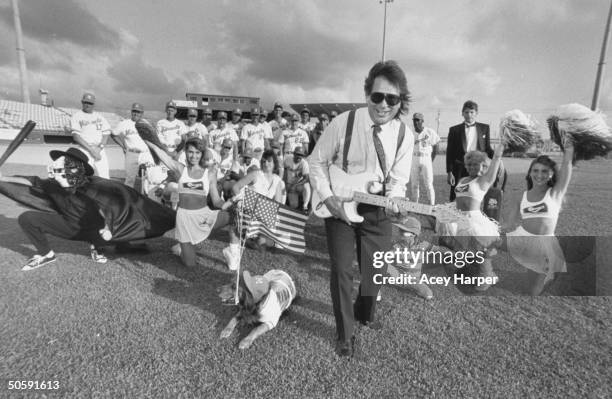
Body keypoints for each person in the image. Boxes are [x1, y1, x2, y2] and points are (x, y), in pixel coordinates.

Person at [308, 60, 413, 357]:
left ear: (400, 101)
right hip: (339, 208)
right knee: (341, 269)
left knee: (375, 273)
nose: (383, 104)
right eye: (377, 96)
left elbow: (398, 180)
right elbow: (316, 161)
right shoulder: (342, 123)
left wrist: (394, 198)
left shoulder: (405, 135)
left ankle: (364, 312)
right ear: (367, 94)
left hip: (376, 211)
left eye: (392, 99)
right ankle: (345, 333)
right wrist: (328, 198)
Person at [0, 148, 177, 270]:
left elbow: (111, 209)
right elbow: (31, 180)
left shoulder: (95, 187)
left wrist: (109, 230)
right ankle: (46, 254)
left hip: (96, 229)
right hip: (71, 227)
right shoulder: (52, 185)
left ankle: (114, 245)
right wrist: (3, 177)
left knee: (109, 233)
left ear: (77, 168)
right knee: (27, 218)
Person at [146, 137, 237, 267]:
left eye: (197, 152)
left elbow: (216, 201)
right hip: (185, 219)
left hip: (204, 215)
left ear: (201, 154)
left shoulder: (209, 173)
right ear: (186, 152)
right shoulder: (180, 169)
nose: (193, 156)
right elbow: (163, 156)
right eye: (190, 152)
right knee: (190, 264)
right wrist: (147, 139)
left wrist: (228, 204)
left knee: (236, 215)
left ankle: (232, 252)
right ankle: (181, 247)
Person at [504, 140, 574, 295]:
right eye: (535, 170)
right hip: (523, 238)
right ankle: (481, 270)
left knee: (532, 292)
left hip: (544, 245)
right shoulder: (520, 196)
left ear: (551, 175)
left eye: (544, 171)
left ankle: (550, 272)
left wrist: (568, 147)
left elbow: (567, 164)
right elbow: (509, 224)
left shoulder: (555, 193)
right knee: (484, 242)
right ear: (529, 173)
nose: (539, 175)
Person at [443, 143, 505, 291]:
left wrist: (497, 155)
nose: (471, 167)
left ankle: (487, 277)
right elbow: (458, 199)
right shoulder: (462, 180)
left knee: (480, 252)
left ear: (483, 166)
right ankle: (476, 272)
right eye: (469, 164)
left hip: (475, 222)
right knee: (462, 249)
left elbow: (494, 167)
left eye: (475, 164)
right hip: (459, 219)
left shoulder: (483, 180)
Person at [220, 270, 296, 349]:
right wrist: (230, 326)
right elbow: (245, 308)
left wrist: (250, 337)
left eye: (234, 288)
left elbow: (270, 323)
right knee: (257, 289)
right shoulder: (256, 293)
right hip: (275, 275)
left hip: (287, 283)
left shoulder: (269, 311)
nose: (226, 288)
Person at [446, 100, 493, 202]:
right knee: (456, 195)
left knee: (478, 195)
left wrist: (497, 159)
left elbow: (488, 149)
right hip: (459, 167)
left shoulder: (485, 128)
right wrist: (449, 172)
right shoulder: (454, 130)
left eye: (472, 112)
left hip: (479, 168)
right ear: (462, 113)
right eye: (466, 112)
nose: (469, 115)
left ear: (476, 113)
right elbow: (450, 152)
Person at [111, 102, 155, 188]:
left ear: (142, 113)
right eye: (134, 111)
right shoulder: (124, 123)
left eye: (138, 112)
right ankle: (129, 199)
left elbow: (152, 138)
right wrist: (123, 146)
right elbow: (113, 134)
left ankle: (146, 197)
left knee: (148, 177)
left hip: (145, 154)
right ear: (131, 112)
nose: (136, 113)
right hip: (131, 153)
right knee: (130, 179)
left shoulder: (146, 123)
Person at [70, 92, 112, 178]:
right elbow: (76, 137)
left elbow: (106, 134)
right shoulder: (76, 116)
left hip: (99, 149)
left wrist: (99, 148)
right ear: (82, 102)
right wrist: (91, 150)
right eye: (86, 102)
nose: (87, 105)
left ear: (93, 104)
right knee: (83, 176)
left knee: (105, 177)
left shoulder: (99, 117)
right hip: (85, 150)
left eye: (90, 103)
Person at [410, 112, 440, 205]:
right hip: (414, 158)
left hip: (426, 158)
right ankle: (415, 204)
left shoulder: (429, 131)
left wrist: (431, 159)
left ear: (422, 121)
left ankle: (431, 205)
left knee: (429, 184)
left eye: (418, 120)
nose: (416, 122)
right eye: (414, 120)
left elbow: (436, 145)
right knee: (414, 184)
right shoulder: (410, 132)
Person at [283, 146, 311, 212]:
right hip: (289, 184)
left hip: (299, 185)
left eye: (301, 155)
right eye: (298, 154)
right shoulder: (287, 159)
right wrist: (285, 185)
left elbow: (306, 178)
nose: (299, 156)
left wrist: (295, 185)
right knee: (294, 206)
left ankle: (305, 206)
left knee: (306, 185)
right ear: (294, 154)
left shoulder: (304, 163)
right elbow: (284, 173)